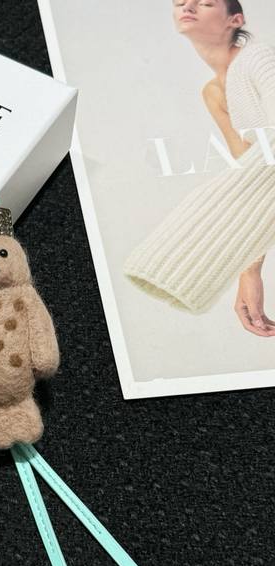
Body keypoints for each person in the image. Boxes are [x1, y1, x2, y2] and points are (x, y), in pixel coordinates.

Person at [123, 0, 275, 336]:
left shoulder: (260, 58)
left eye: (205, 2)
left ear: (235, 20)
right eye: (181, 2)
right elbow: (246, 175)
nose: (188, 6)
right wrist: (248, 273)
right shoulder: (213, 93)